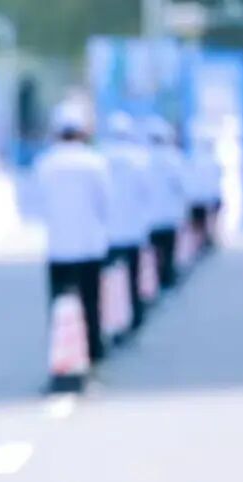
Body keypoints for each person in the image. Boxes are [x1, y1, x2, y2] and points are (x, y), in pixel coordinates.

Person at [33, 103, 112, 364]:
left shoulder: (46, 163)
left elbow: (35, 204)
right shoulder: (95, 162)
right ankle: (94, 353)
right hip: (90, 245)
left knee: (60, 305)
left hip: (59, 247)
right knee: (91, 303)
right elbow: (105, 201)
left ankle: (63, 357)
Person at [100, 111, 152, 334]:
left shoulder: (100, 158)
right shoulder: (139, 159)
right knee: (133, 276)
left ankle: (112, 320)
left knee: (110, 278)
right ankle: (135, 316)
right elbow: (146, 191)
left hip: (109, 231)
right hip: (133, 228)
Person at [145, 116, 188, 289]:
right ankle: (168, 276)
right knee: (169, 249)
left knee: (156, 251)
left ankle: (159, 277)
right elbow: (182, 185)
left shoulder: (144, 160)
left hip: (152, 215)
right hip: (169, 213)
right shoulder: (174, 158)